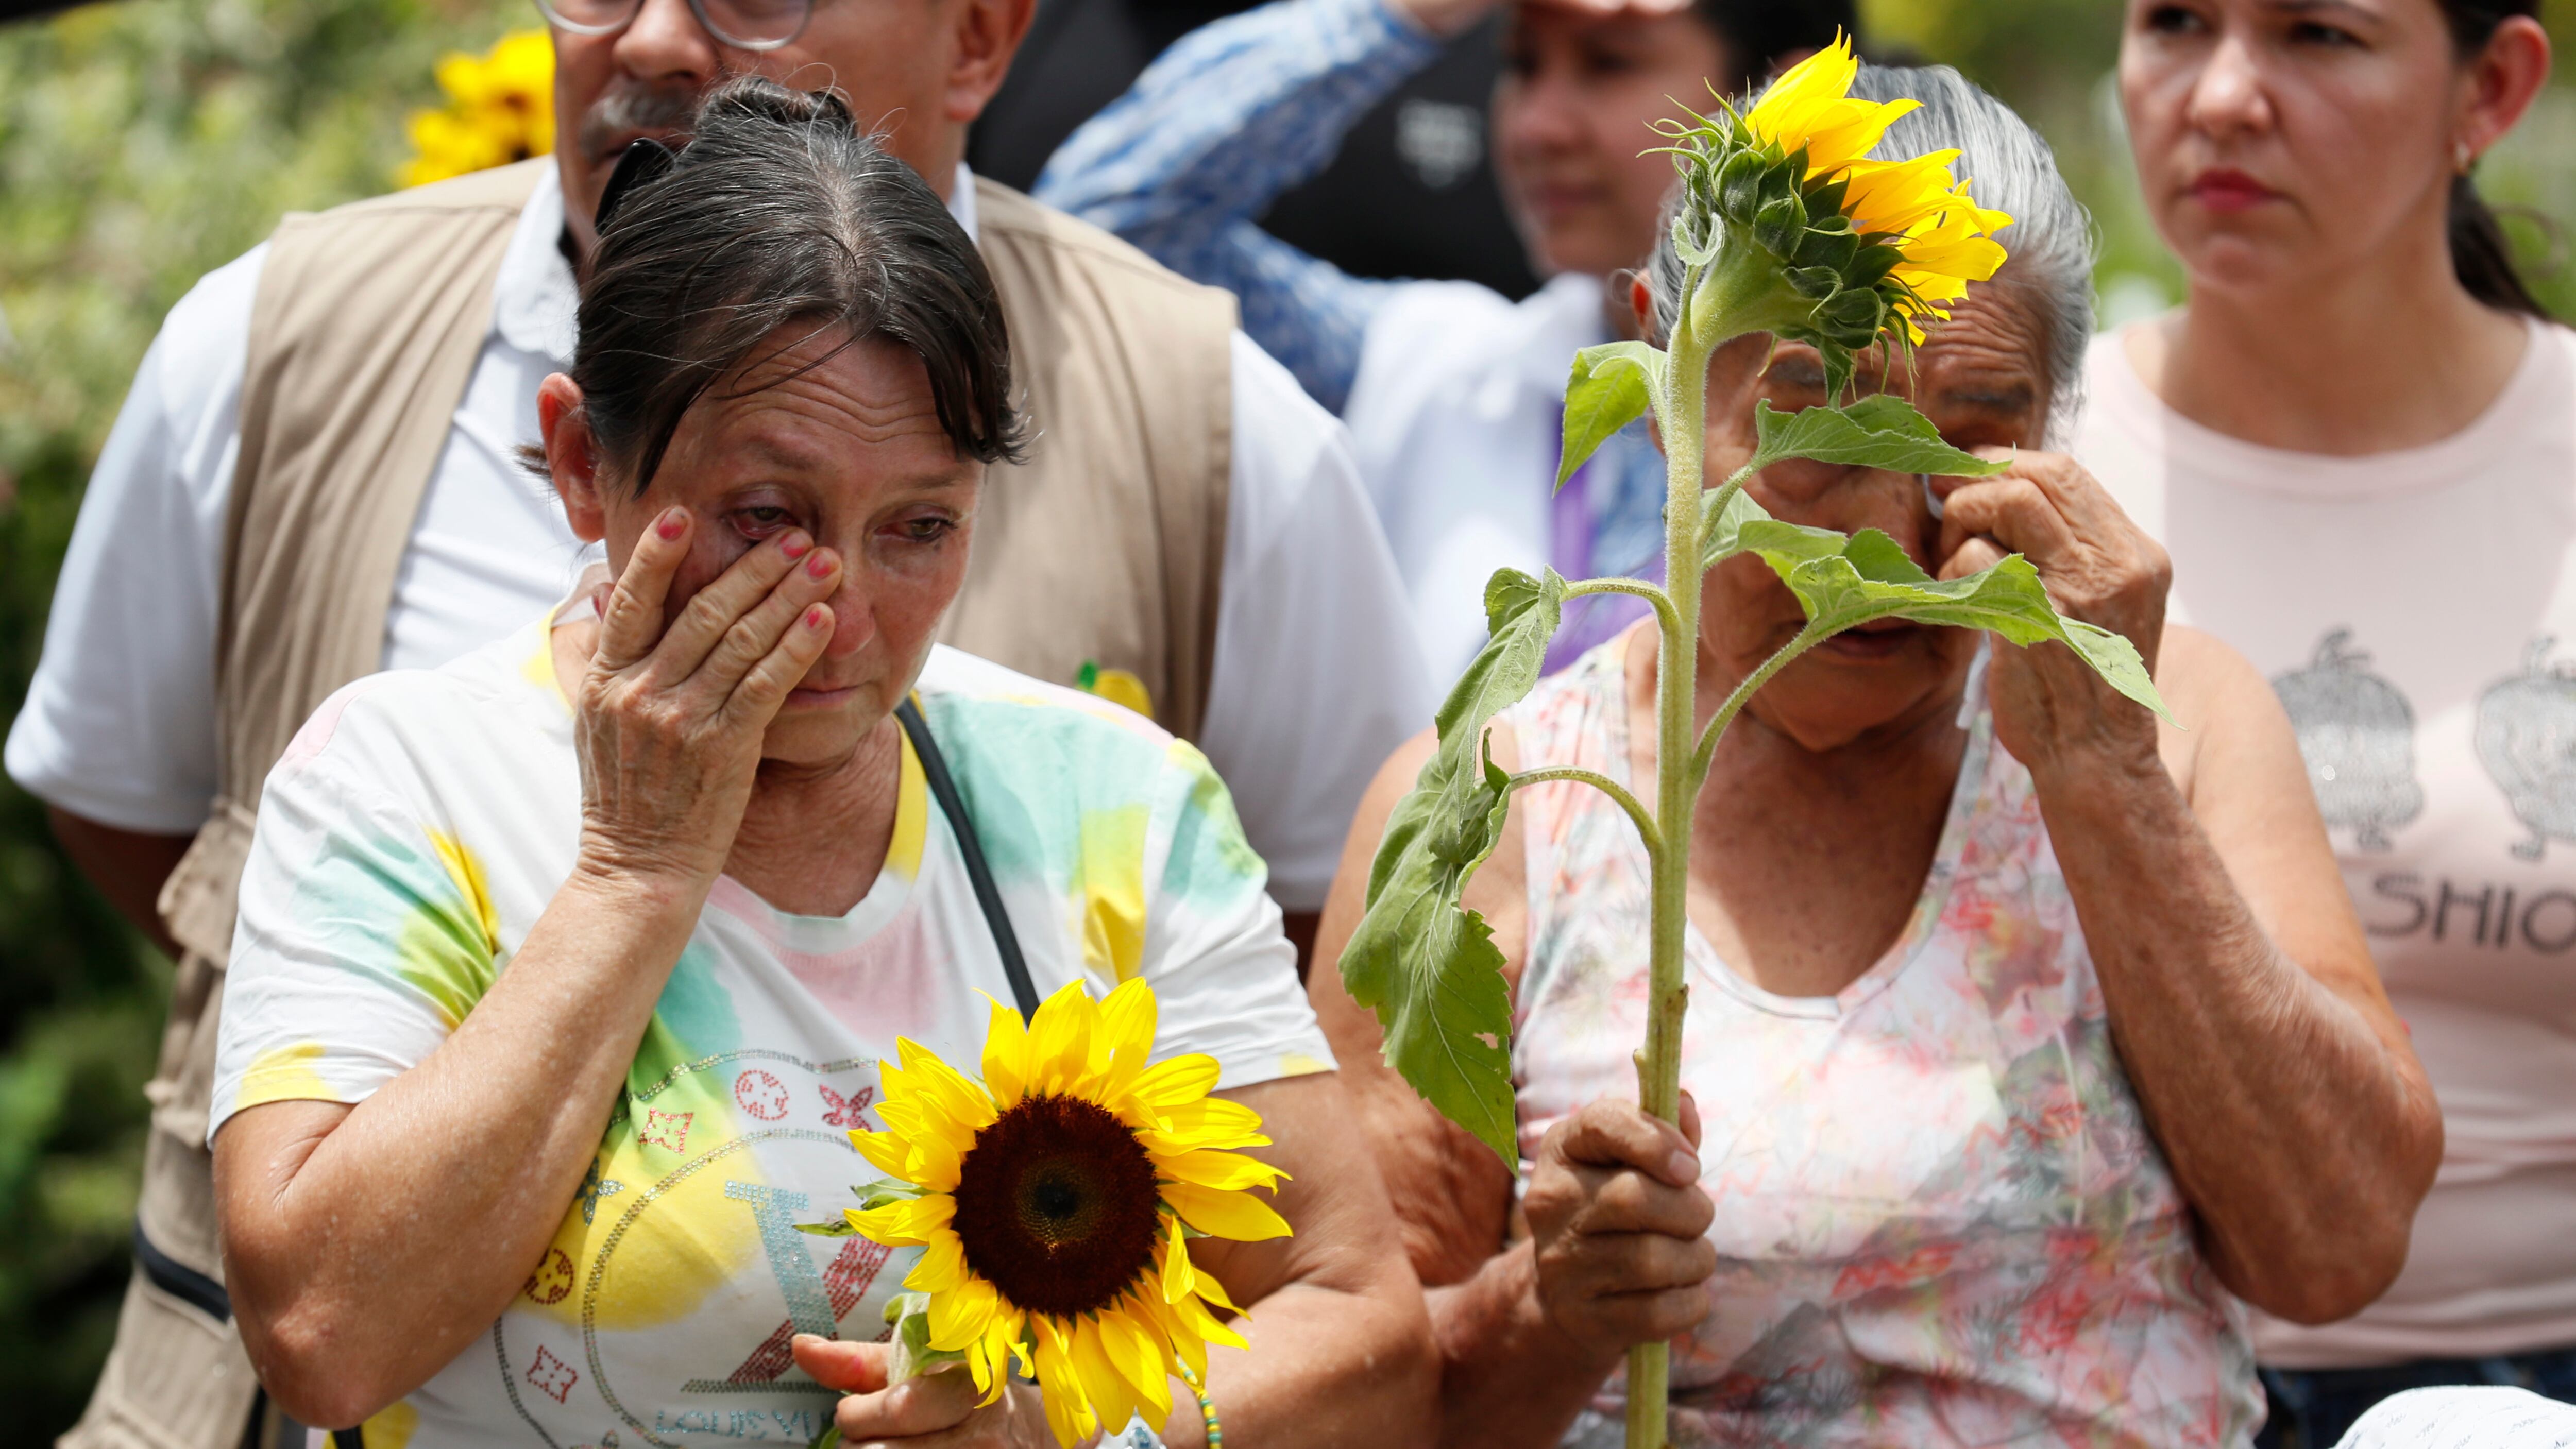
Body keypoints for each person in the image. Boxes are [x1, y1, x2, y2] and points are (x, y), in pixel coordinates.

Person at [12, 1, 1429, 1443]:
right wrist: (635, 871)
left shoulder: (1113, 801)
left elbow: (1361, 1324)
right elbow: (321, 1331)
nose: (843, 608)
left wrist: (1072, 1433)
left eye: (921, 526)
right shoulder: (394, 779)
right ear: (582, 465)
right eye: (766, 515)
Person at [1308, 64, 2445, 1447]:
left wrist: (2107, 775)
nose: (1884, 543)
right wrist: (1550, 1307)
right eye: (1809, 430)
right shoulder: (1506, 801)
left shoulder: (2173, 716)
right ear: (1666, 361)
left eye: (1968, 439)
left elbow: (2336, 1248)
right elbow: (1355, 1377)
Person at [2076, 1, 2574, 1442]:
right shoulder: (2016, 462)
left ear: (2491, 85)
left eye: (2318, 34)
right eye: (2175, 21)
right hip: (2110, 1377)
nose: (2226, 95)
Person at [1037, 0, 1851, 681]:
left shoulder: (1901, 409)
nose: (1537, 125)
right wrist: (1405, 13)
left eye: (1609, 63)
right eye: (1522, 66)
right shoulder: (1431, 364)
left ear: (1783, 97)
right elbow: (1096, 237)